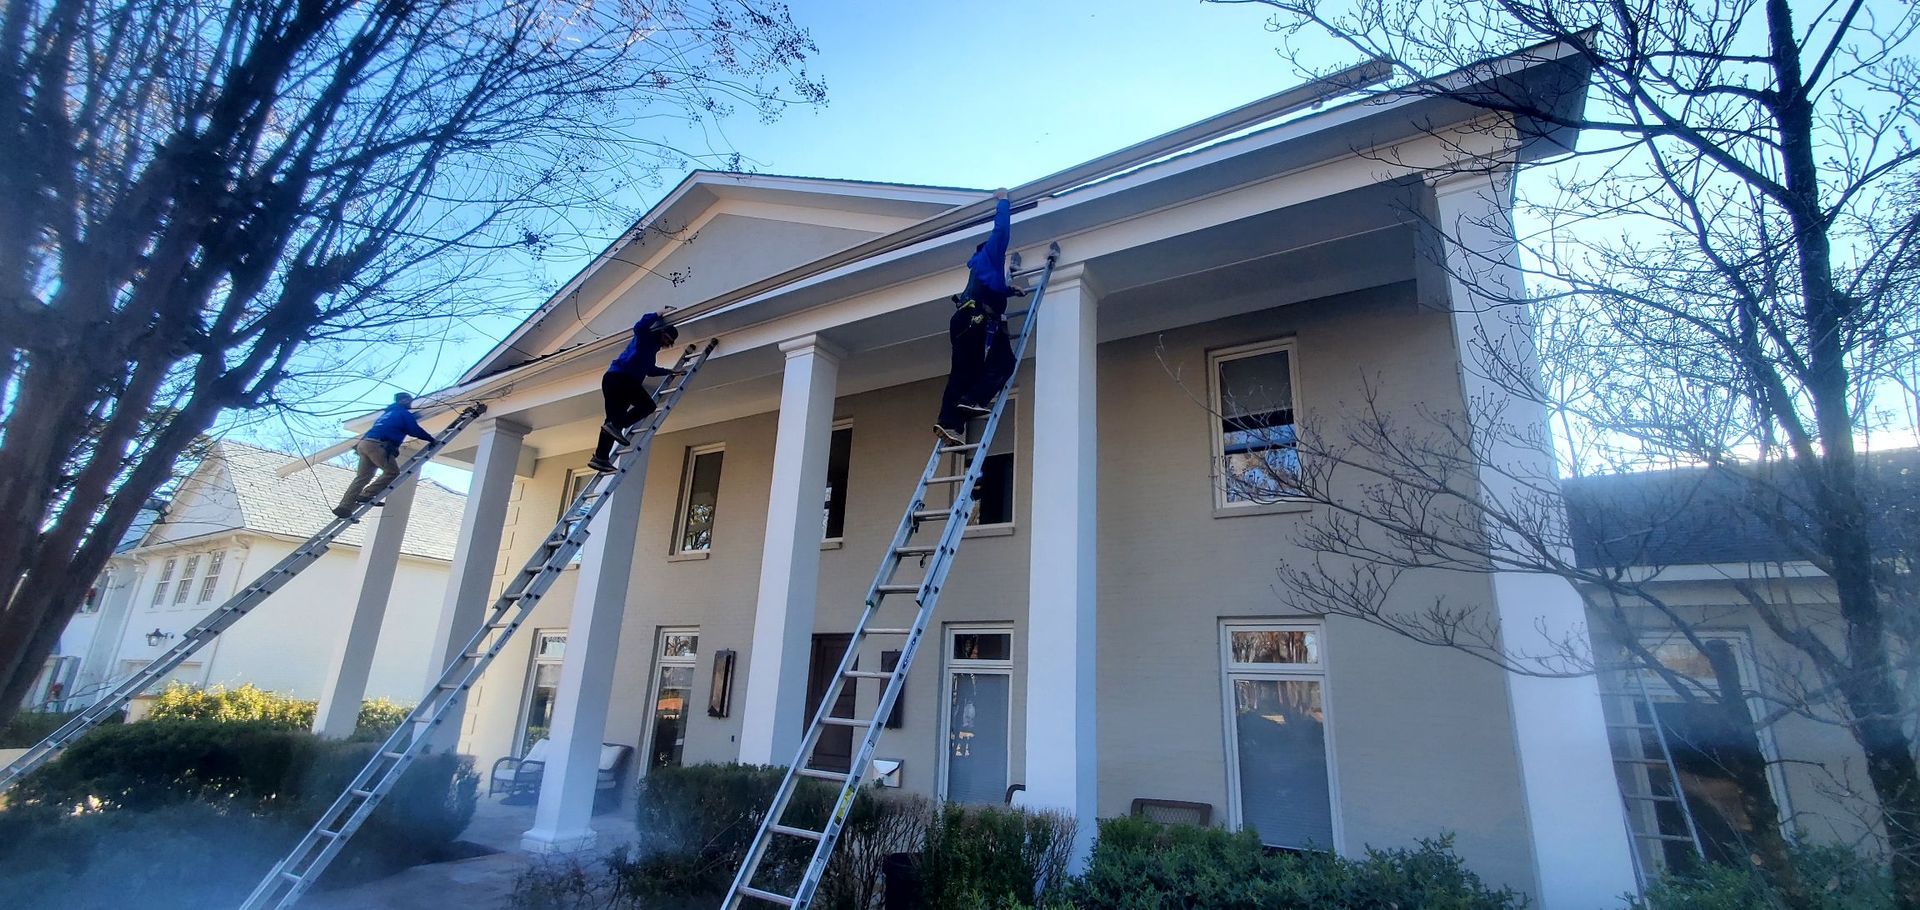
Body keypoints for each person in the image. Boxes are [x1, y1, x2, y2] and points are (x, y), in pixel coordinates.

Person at [936, 188, 1025, 444]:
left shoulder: (978, 268)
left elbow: (991, 288)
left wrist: (1009, 290)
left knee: (963, 371)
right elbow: (1001, 231)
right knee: (1004, 362)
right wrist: (1004, 202)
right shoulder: (991, 254)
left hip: (962, 320)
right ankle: (973, 400)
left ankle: (948, 421)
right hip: (979, 320)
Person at [589, 312, 680, 472]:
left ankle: (600, 458)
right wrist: (656, 315)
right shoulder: (647, 338)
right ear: (661, 333)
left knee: (611, 421)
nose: (666, 342)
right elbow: (639, 327)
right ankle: (617, 426)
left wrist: (668, 372)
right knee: (647, 406)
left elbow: (650, 370)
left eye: (669, 342)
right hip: (620, 379)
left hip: (617, 380)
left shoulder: (652, 350)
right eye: (666, 338)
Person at [333, 392, 436, 518]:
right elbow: (414, 429)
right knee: (391, 472)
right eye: (409, 400)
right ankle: (367, 494)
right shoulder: (403, 413)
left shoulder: (387, 413)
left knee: (362, 477)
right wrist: (431, 439)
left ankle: (344, 506)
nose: (411, 403)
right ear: (403, 401)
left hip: (365, 444)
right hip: (378, 444)